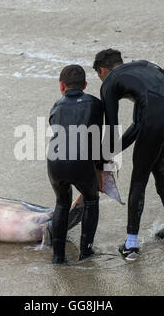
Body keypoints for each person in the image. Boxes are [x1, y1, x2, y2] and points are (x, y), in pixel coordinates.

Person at [93, 49, 164, 260]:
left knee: (139, 177)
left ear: (103, 70)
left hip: (156, 120)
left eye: (99, 75)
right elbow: (137, 126)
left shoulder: (109, 82)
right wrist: (109, 154)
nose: (100, 80)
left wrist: (100, 161)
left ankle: (131, 245)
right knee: (157, 163)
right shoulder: (145, 65)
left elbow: (112, 127)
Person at [47, 65, 104, 264]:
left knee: (62, 203)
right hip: (80, 161)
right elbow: (96, 140)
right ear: (85, 85)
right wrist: (100, 169)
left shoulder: (56, 105)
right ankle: (85, 252)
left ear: (62, 86)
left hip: (54, 161)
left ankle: (58, 257)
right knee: (91, 200)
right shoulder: (96, 104)